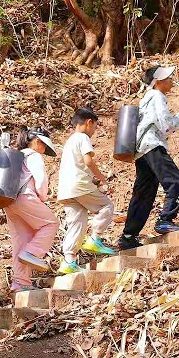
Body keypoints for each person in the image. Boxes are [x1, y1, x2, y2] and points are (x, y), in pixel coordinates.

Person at [117, 66, 179, 251]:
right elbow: (165, 124)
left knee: (144, 193)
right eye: (168, 78)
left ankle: (128, 236)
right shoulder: (157, 96)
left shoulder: (145, 100)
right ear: (158, 82)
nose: (171, 80)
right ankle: (166, 219)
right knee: (175, 180)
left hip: (141, 150)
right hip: (152, 144)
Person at [57, 107, 116, 274]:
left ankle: (68, 261)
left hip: (66, 189)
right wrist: (102, 177)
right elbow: (88, 161)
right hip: (80, 185)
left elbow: (79, 166)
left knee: (76, 223)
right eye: (95, 127)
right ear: (89, 122)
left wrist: (94, 180)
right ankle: (95, 239)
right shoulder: (82, 137)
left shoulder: (69, 141)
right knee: (106, 207)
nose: (94, 131)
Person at [4, 128, 59, 291]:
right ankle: (32, 253)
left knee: (21, 239)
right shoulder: (34, 156)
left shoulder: (17, 156)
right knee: (51, 224)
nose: (43, 150)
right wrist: (43, 197)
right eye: (43, 145)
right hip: (25, 197)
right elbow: (41, 180)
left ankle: (20, 282)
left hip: (8, 201)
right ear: (36, 141)